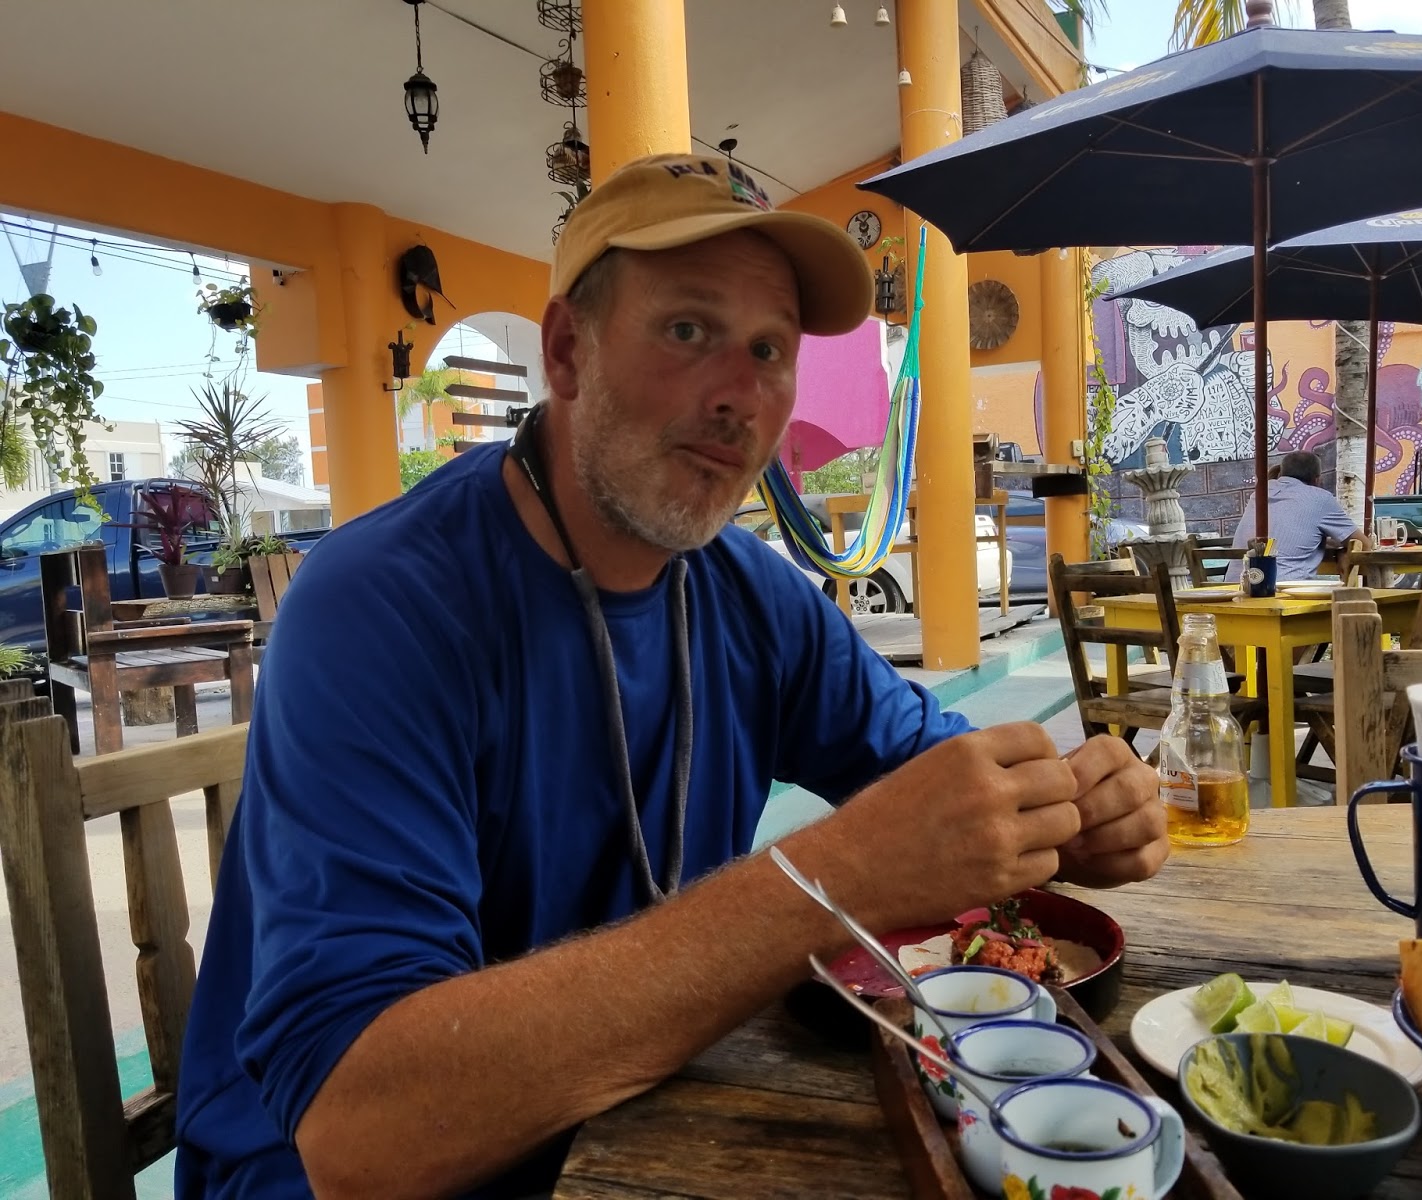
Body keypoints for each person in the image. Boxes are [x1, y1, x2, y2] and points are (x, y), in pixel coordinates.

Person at [174, 153, 1169, 1200]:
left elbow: (950, 793)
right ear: (567, 352)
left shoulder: (755, 597)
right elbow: (363, 1137)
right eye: (689, 330)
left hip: (632, 1126)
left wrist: (1070, 812)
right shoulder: (381, 606)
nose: (740, 394)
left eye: (770, 349)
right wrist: (832, 878)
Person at [1229, 450, 1369, 581]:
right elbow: (1364, 544)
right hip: (1280, 589)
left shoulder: (1260, 493)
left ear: (1281, 473)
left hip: (1234, 585)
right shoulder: (1320, 498)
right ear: (1317, 480)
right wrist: (1343, 552)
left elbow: (1288, 535)